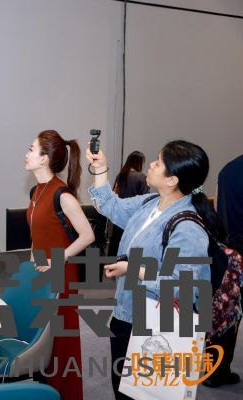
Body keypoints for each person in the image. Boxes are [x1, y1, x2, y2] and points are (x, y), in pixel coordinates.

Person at [87, 140, 223, 400]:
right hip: (127, 313)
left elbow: (183, 285)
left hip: (156, 325)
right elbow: (110, 206)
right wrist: (101, 169)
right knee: (124, 388)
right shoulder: (150, 203)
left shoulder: (187, 227)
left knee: (146, 393)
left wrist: (132, 269)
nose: (150, 164)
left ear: (172, 180)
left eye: (158, 163)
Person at [24, 130, 94, 400]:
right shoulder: (36, 191)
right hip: (40, 274)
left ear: (44, 159)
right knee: (40, 340)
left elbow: (87, 235)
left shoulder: (62, 195)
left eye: (31, 149)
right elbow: (38, 232)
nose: (26, 154)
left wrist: (58, 258)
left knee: (60, 341)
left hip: (61, 276)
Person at [202, 154, 243, 388]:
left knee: (224, 312)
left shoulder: (228, 169)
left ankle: (214, 371)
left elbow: (217, 207)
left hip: (228, 251)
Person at [107, 151, 150, 256]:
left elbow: (114, 194)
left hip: (119, 214)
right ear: (139, 162)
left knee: (115, 244)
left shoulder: (120, 176)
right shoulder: (141, 177)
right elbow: (146, 200)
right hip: (134, 217)